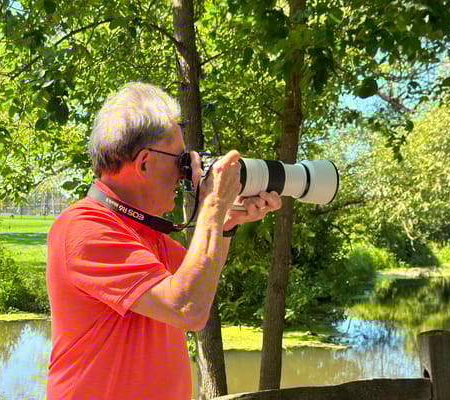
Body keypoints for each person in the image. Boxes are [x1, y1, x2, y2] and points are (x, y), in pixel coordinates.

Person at [46, 82, 281, 400]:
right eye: (180, 160)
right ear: (144, 162)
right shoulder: (84, 228)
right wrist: (212, 205)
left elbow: (196, 291)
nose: (185, 174)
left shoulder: (148, 237)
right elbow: (187, 309)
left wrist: (224, 224)